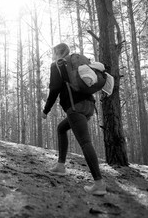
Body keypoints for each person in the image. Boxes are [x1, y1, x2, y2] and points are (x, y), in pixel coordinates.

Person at [42, 43, 107, 196]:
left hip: (74, 107)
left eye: (53, 53)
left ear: (58, 53)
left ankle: (99, 184)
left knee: (85, 142)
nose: (52, 56)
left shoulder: (57, 65)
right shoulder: (76, 63)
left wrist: (46, 110)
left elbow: (54, 89)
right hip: (89, 106)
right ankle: (60, 166)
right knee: (61, 128)